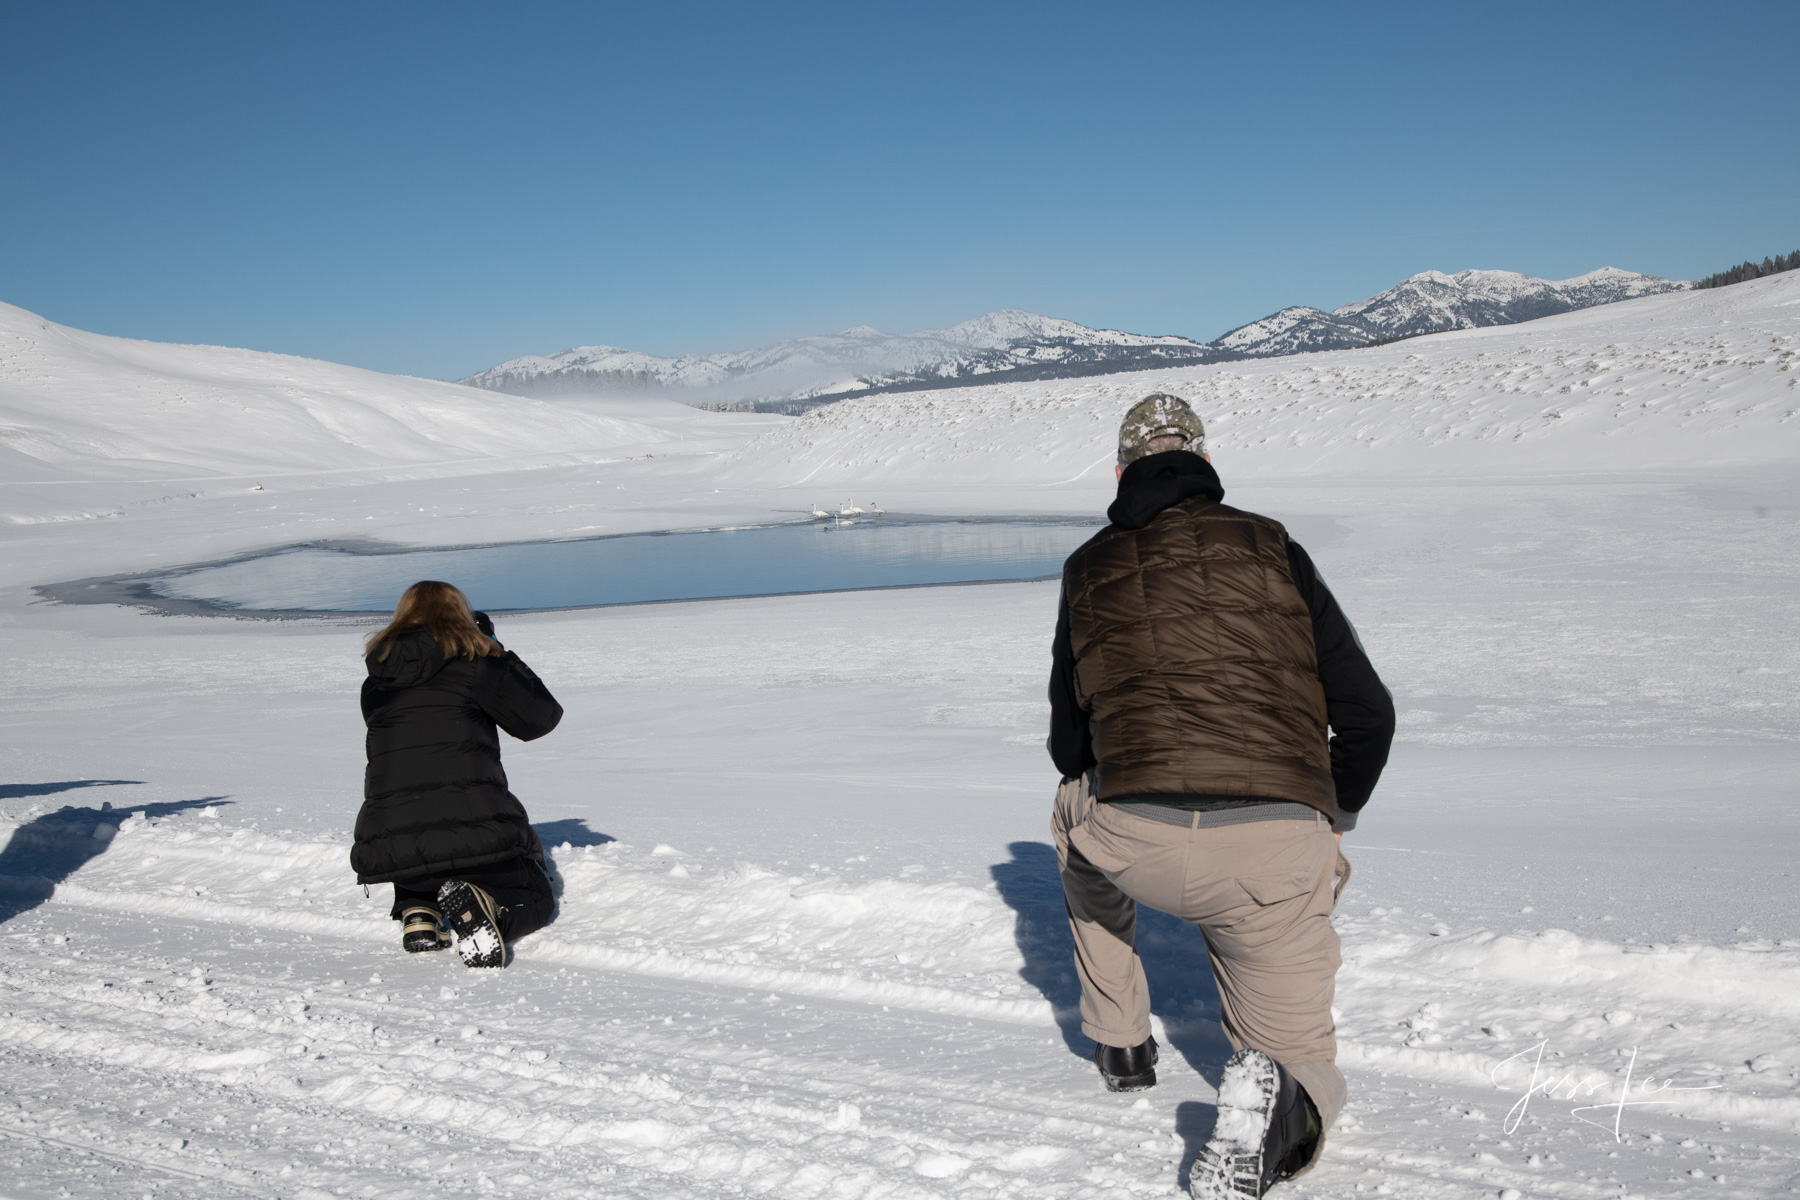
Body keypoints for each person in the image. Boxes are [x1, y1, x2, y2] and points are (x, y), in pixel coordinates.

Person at [1047, 394, 1394, 1197]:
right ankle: (1276, 1101)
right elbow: (1369, 713)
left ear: (1122, 467)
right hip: (1270, 857)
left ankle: (1120, 1043)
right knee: (1299, 1059)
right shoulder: (1275, 546)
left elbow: (1070, 746)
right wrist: (1330, 816)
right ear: (1203, 459)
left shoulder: (1088, 567)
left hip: (1133, 842)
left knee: (1071, 814)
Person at [352, 580, 564, 968]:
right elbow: (541, 719)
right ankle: (490, 915)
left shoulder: (377, 683)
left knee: (421, 836)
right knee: (536, 894)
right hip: (472, 822)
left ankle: (418, 913)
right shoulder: (475, 666)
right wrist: (496, 650)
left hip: (390, 838)